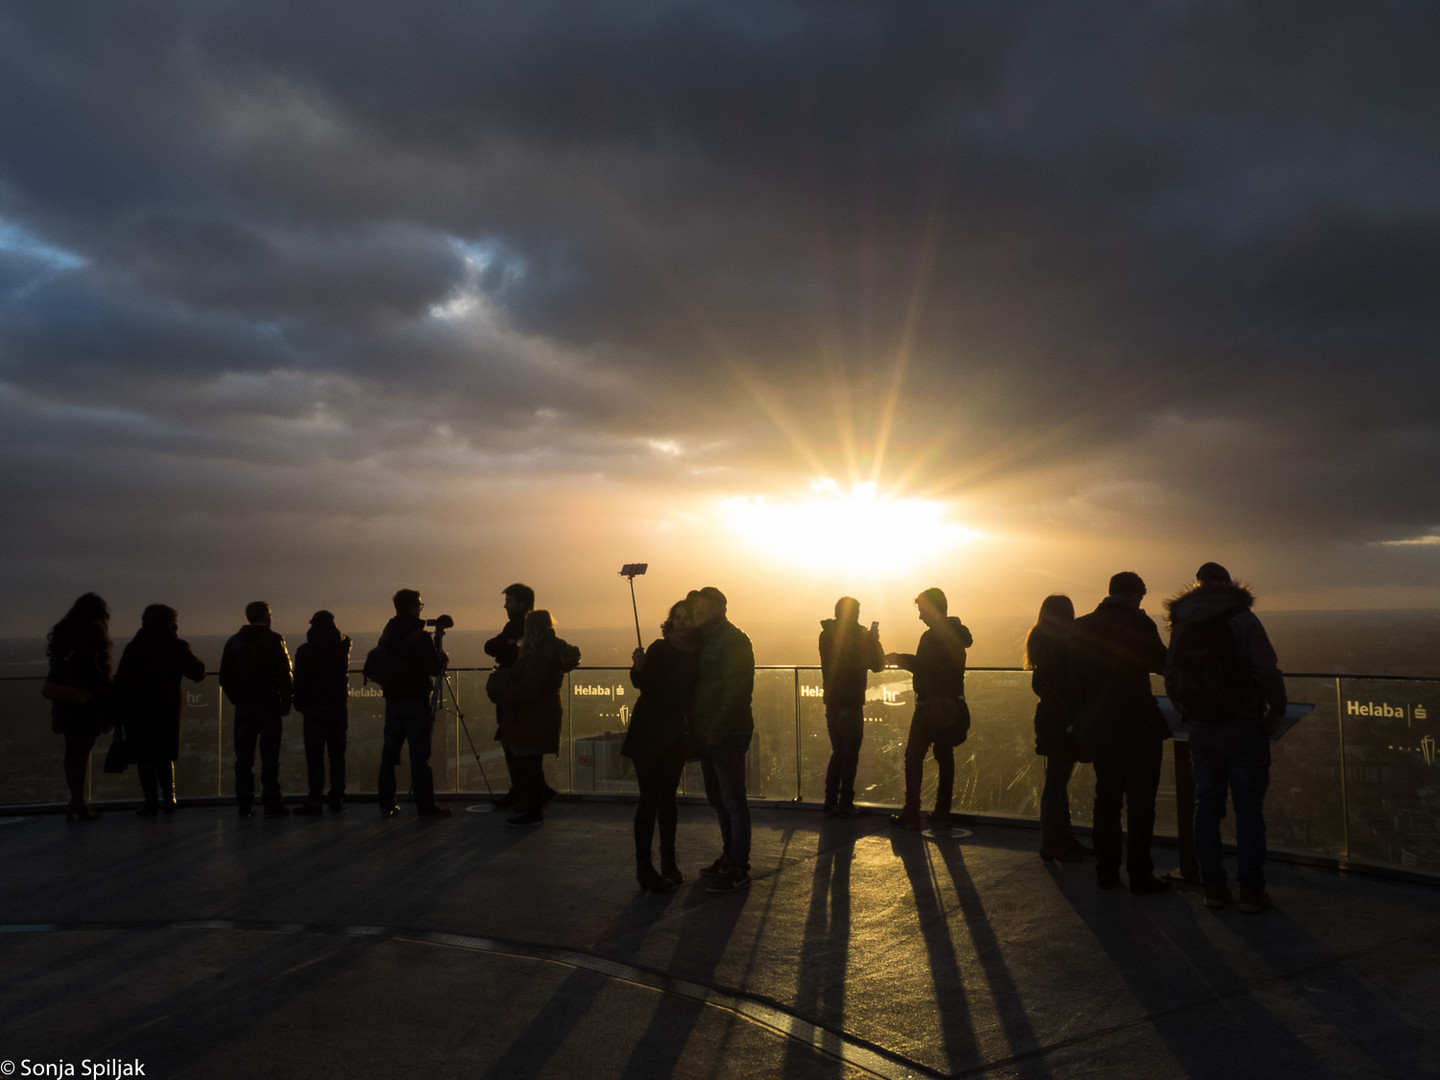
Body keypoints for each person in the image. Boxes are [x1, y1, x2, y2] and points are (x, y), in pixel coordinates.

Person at [1165, 562, 1287, 913]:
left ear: (1198, 585)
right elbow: (1266, 669)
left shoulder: (1182, 622)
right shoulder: (1243, 619)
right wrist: (1275, 710)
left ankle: (1213, 888)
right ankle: (1251, 891)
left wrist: (1187, 711)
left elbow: (1171, 674)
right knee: (1249, 810)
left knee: (1206, 808)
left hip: (1202, 727)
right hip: (1244, 724)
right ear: (1228, 583)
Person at [1068, 572, 1172, 894]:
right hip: (1140, 725)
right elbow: (1162, 663)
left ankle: (1106, 871)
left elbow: (1074, 677)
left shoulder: (1082, 626)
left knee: (1107, 800)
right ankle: (1140, 874)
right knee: (1141, 804)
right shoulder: (1140, 625)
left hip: (1101, 726)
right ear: (1135, 596)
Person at [622, 599, 698, 891]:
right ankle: (647, 864)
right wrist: (638, 669)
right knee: (652, 798)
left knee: (666, 798)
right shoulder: (660, 648)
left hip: (673, 733)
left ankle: (666, 859)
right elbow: (641, 683)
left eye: (685, 618)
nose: (680, 622)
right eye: (676, 617)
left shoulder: (695, 653)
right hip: (650, 732)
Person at [885, 588, 973, 830]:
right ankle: (942, 812)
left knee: (913, 757)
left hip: (929, 707)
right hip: (952, 705)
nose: (920, 616)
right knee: (945, 758)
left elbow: (924, 667)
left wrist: (898, 658)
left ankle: (912, 812)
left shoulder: (931, 637)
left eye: (922, 610)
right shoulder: (957, 635)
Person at [690, 586, 756, 892]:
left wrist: (717, 729)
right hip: (711, 731)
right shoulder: (710, 639)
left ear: (721, 607)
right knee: (720, 800)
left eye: (705, 606)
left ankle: (738, 866)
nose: (699, 611)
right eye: (696, 607)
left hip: (725, 732)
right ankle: (730, 857)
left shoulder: (732, 641)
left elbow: (736, 691)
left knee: (732, 800)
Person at [113, 604, 206, 816]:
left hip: (137, 709)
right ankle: (169, 799)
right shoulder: (175, 646)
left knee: (144, 756)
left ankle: (151, 802)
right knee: (163, 754)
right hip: (166, 709)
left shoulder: (135, 647)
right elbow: (198, 672)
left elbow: (121, 680)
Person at [1024, 594, 1090, 861]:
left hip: (1050, 717)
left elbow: (1039, 684)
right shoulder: (1064, 643)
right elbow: (1072, 681)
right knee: (1057, 782)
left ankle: (1060, 839)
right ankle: (1054, 841)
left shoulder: (1039, 638)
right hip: (1065, 718)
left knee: (1057, 780)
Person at [502, 609, 581, 827]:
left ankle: (534, 810)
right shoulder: (552, 647)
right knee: (531, 762)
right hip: (543, 712)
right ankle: (538, 802)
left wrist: (509, 697)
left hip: (533, 713)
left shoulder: (539, 653)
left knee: (528, 764)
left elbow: (530, 688)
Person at [376, 589, 450, 818]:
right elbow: (436, 668)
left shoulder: (388, 632)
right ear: (411, 607)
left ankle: (387, 803)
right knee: (419, 755)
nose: (420, 608)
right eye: (419, 605)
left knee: (389, 753)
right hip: (415, 700)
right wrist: (442, 653)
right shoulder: (419, 636)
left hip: (393, 699)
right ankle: (425, 806)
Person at [219, 601, 294, 818]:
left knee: (243, 758)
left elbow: (225, 677)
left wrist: (237, 699)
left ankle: (245, 803)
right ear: (265, 616)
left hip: (244, 707)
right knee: (270, 757)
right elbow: (286, 675)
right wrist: (286, 703)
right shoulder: (274, 640)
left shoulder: (233, 642)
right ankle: (271, 802)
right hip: (269, 706)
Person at [45, 593, 114, 822]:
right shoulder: (93, 630)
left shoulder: (65, 630)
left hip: (66, 700)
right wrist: (109, 688)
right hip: (86, 703)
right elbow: (91, 666)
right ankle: (78, 803)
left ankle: (76, 800)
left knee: (71, 753)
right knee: (81, 753)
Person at [486, 583, 553, 808]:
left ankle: (525, 793)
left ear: (522, 604)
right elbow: (493, 646)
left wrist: (504, 646)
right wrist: (505, 645)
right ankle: (534, 791)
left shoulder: (518, 626)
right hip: (518, 690)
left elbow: (491, 647)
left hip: (514, 690)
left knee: (514, 741)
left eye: (510, 601)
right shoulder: (530, 629)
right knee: (520, 743)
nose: (505, 606)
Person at [818, 597, 884, 816]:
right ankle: (845, 803)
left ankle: (830, 802)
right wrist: (873, 641)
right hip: (851, 701)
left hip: (832, 701)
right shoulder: (860, 638)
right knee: (850, 754)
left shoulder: (825, 635)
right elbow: (877, 666)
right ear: (854, 614)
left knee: (838, 752)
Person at [292, 610, 352, 814]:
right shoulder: (343, 646)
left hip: (314, 709)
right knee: (337, 756)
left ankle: (315, 799)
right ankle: (337, 798)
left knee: (315, 757)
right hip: (338, 707)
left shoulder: (306, 651)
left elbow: (300, 681)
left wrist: (299, 704)